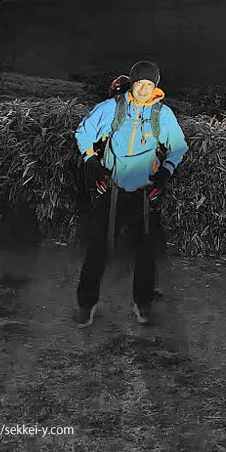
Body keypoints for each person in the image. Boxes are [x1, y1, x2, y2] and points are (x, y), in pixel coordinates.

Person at [74, 60, 189, 326]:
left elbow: (178, 146)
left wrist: (165, 172)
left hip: (144, 193)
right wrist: (92, 162)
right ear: (132, 83)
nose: (144, 90)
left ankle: (143, 303)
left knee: (145, 252)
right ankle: (86, 304)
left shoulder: (162, 114)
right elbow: (83, 132)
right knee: (98, 248)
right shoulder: (113, 108)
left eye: (150, 85)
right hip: (112, 190)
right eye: (140, 84)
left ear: (155, 87)